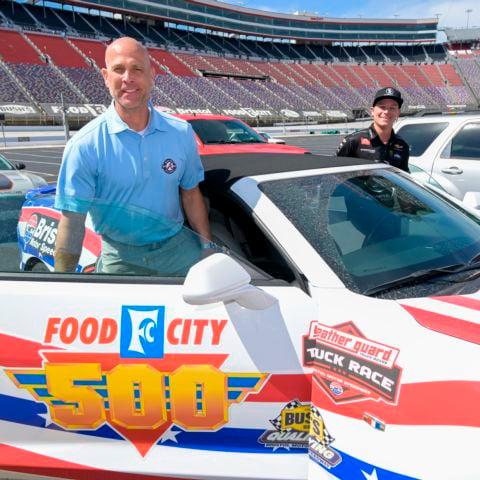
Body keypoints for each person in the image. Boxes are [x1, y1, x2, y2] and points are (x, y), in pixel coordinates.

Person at [54, 37, 212, 275]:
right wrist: (61, 282)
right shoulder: (84, 144)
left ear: (152, 75)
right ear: (106, 77)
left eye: (137, 68)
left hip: (177, 250)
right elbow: (72, 220)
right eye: (119, 69)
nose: (128, 78)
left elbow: (191, 194)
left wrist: (207, 247)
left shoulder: (181, 132)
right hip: (120, 258)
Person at [336, 87, 410, 172]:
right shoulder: (353, 141)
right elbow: (335, 175)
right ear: (372, 110)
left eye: (392, 108)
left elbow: (403, 178)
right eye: (382, 107)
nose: (386, 112)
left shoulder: (402, 146)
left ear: (398, 113)